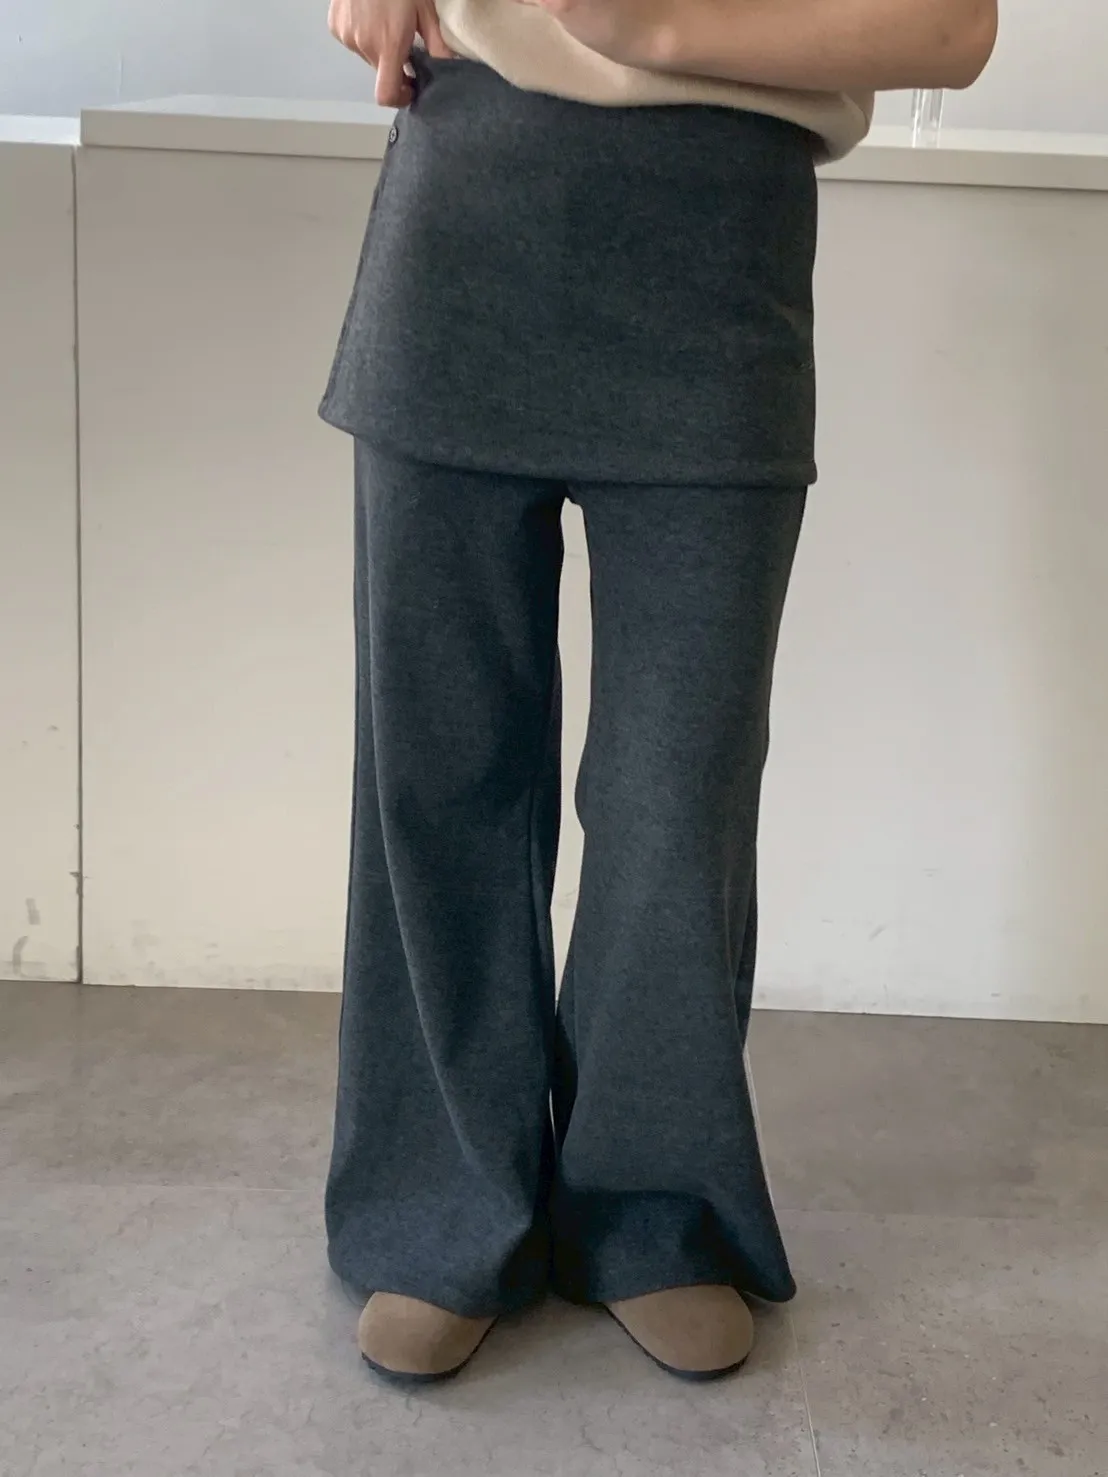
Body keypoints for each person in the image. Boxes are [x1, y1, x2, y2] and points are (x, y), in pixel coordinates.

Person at [319, 0, 997, 1385]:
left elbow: (951, 29)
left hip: (721, 249)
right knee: (440, 770)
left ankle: (651, 1209)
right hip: (469, 209)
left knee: (675, 792)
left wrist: (657, 27)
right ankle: (443, 1204)